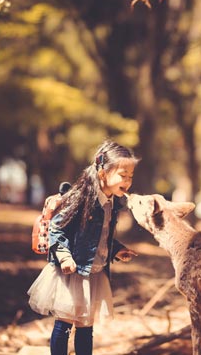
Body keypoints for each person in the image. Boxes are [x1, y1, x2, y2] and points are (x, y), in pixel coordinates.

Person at [27, 140, 139, 355]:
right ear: (103, 173)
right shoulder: (81, 197)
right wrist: (65, 257)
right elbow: (57, 229)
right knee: (66, 321)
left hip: (94, 271)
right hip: (73, 270)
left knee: (86, 326)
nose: (128, 181)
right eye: (123, 176)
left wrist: (117, 250)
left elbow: (101, 236)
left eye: (131, 177)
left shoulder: (113, 203)